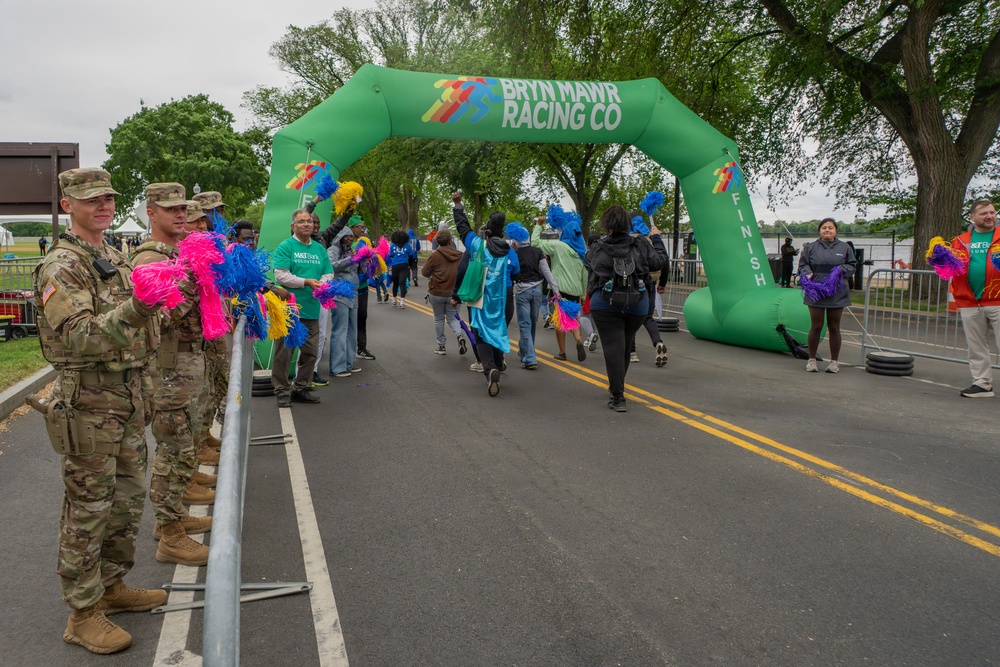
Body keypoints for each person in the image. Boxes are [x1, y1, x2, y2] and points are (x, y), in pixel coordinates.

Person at [33, 168, 166, 654]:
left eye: (108, 197)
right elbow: (79, 336)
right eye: (91, 200)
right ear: (68, 205)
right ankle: (82, 613)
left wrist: (161, 303)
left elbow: (140, 325)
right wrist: (139, 308)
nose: (103, 206)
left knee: (127, 501)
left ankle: (111, 587)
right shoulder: (62, 265)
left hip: (126, 396)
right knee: (88, 509)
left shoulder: (112, 255)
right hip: (89, 401)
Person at [132, 186, 217, 569]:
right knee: (174, 449)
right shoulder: (150, 256)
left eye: (183, 207)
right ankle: (169, 533)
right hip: (168, 368)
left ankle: (174, 518)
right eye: (171, 209)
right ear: (151, 213)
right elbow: (175, 310)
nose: (180, 214)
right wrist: (198, 275)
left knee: (183, 446)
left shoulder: (176, 251)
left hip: (185, 363)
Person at [585, 205, 668, 412]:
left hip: (605, 303)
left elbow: (588, 263)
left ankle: (618, 396)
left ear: (607, 225)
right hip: (636, 302)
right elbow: (659, 261)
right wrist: (656, 238)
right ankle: (617, 388)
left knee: (613, 347)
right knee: (625, 344)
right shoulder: (640, 244)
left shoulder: (597, 246)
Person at [271, 208, 334, 406]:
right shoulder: (286, 247)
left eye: (309, 221)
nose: (307, 224)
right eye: (301, 222)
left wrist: (322, 283)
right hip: (289, 309)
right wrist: (305, 281)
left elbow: (329, 273)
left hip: (312, 309)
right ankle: (282, 391)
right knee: (284, 353)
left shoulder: (319, 249)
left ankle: (302, 388)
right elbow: (280, 275)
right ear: (293, 226)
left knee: (310, 352)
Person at [452, 191, 512, 396]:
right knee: (496, 329)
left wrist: (458, 205)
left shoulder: (479, 245)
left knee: (481, 333)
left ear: (487, 230)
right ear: (502, 231)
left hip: (480, 297)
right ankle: (498, 362)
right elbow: (517, 270)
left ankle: (490, 369)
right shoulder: (508, 250)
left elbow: (463, 229)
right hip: (500, 298)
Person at [950, 199, 1000, 397]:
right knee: (976, 345)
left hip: (997, 300)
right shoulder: (960, 240)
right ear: (972, 217)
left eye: (992, 212)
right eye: (984, 213)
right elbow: (950, 269)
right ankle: (982, 384)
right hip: (970, 301)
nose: (989, 216)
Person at [797, 218, 857, 373]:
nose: (827, 230)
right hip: (816, 291)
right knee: (816, 326)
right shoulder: (810, 247)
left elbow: (852, 265)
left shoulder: (845, 247)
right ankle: (811, 360)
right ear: (820, 230)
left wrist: (839, 270)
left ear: (835, 230)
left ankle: (834, 362)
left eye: (830, 228)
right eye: (824, 228)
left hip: (837, 292)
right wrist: (807, 273)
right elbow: (803, 264)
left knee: (834, 326)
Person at [531, 214, 589, 362]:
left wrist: (538, 224)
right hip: (576, 290)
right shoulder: (581, 253)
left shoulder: (558, 246)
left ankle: (562, 352)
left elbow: (535, 243)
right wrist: (583, 295)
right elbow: (585, 276)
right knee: (572, 317)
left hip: (560, 288)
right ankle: (577, 340)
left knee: (559, 320)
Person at [507, 222, 559, 370]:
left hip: (522, 291)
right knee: (532, 323)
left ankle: (529, 358)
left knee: (524, 325)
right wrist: (556, 289)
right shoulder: (538, 251)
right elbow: (547, 272)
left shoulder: (514, 254)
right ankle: (525, 351)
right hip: (537, 290)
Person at [421, 228, 468, 355]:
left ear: (437, 242)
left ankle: (441, 346)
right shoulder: (460, 255)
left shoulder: (434, 255)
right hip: (454, 293)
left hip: (436, 292)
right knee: (453, 318)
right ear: (450, 241)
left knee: (438, 318)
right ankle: (459, 336)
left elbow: (424, 272)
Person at [326, 219, 361, 379]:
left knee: (352, 330)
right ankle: (337, 367)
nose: (349, 239)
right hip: (339, 292)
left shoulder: (350, 250)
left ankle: (348, 363)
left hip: (353, 293)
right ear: (340, 236)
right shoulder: (333, 249)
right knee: (340, 330)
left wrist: (365, 260)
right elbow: (331, 266)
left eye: (351, 237)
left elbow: (358, 270)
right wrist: (351, 260)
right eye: (346, 236)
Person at [387, 230, 416, 308]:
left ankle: (394, 300)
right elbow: (411, 257)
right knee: (402, 283)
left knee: (395, 284)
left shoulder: (393, 246)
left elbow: (391, 255)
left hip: (395, 266)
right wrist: (409, 265)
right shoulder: (407, 246)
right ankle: (402, 302)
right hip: (404, 266)